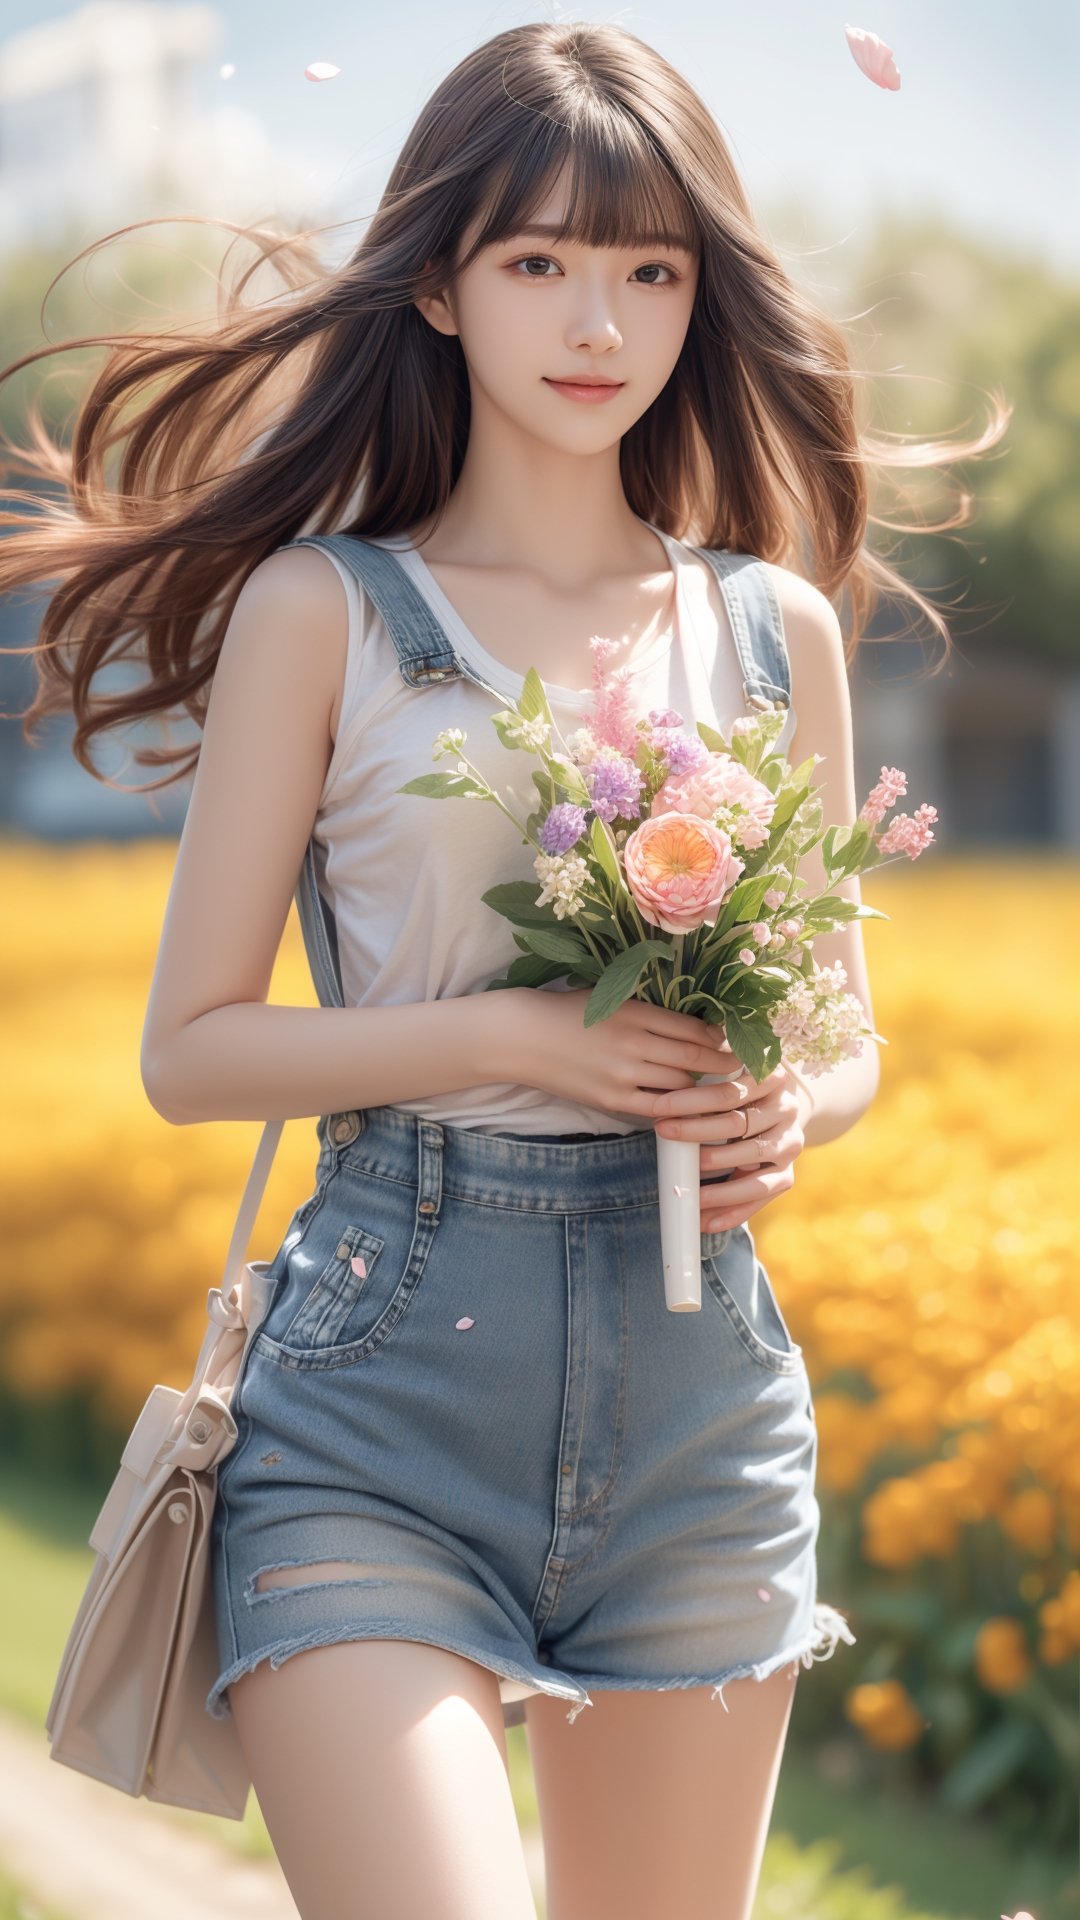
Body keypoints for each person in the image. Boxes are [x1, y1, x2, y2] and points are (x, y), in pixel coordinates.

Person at [0, 20, 1007, 1920]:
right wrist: (524, 1040)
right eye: (536, 259)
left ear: (702, 297)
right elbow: (191, 1053)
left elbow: (843, 1036)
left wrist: (786, 1108)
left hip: (702, 1399)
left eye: (650, 268)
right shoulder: (327, 610)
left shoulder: (770, 626)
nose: (596, 319)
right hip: (379, 1400)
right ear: (444, 285)